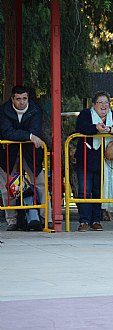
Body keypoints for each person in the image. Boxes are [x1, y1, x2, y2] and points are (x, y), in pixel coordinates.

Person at [74, 91, 113, 232]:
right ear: (94, 105)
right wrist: (95, 129)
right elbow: (80, 127)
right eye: (100, 102)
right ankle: (84, 221)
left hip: (105, 161)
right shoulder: (86, 114)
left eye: (106, 102)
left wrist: (111, 129)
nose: (104, 105)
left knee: (99, 191)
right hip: (86, 159)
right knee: (85, 190)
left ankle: (96, 220)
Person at [0, 85, 47, 231]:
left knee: (41, 184)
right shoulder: (4, 110)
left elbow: (35, 130)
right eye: (18, 99)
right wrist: (29, 136)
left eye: (24, 98)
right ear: (12, 99)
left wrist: (28, 135)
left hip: (31, 153)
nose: (22, 102)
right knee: (6, 187)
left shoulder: (35, 110)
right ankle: (12, 220)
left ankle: (47, 218)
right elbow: (7, 133)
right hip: (8, 152)